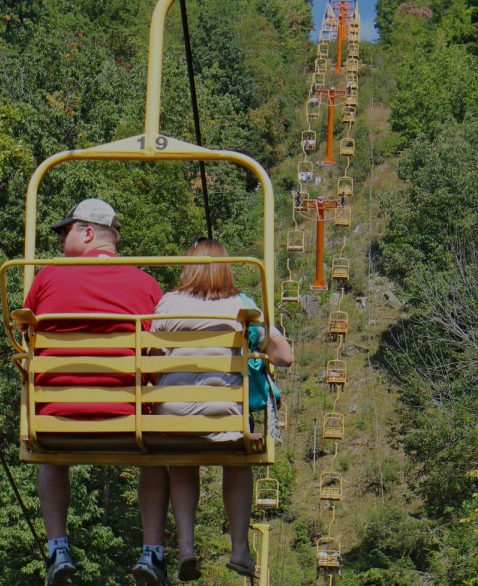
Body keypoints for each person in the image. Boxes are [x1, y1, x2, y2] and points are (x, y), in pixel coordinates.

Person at [21, 198, 164, 586]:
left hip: (55, 419)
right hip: (127, 420)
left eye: (65, 232)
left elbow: (25, 336)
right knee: (156, 456)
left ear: (87, 232)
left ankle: (58, 548)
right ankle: (153, 551)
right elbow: (157, 351)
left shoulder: (46, 278)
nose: (60, 241)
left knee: (48, 453)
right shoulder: (146, 285)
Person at [142, 239, 293, 582]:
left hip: (172, 419)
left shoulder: (167, 304)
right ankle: (239, 548)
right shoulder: (242, 306)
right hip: (225, 416)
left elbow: (149, 364)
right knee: (237, 459)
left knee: (183, 459)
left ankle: (186, 548)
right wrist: (259, 343)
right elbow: (285, 356)